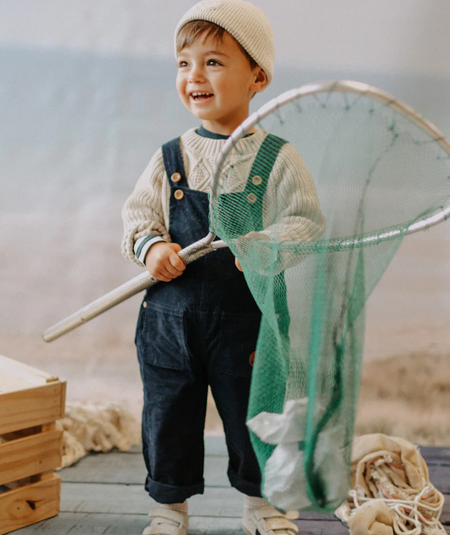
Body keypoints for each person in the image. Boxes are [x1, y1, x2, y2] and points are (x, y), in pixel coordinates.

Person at [121, 1, 325, 534]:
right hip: (169, 322)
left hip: (249, 325)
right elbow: (138, 215)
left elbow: (307, 222)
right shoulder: (170, 158)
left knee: (253, 416)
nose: (194, 76)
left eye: (213, 62)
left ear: (257, 75)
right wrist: (151, 248)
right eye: (184, 63)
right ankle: (168, 510)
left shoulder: (277, 158)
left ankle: (262, 506)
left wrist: (269, 244)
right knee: (168, 418)